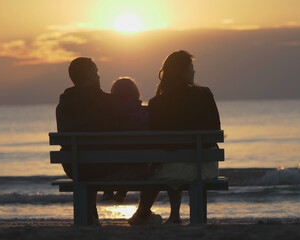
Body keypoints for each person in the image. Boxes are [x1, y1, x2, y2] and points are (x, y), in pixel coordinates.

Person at [129, 50, 221, 224]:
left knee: (170, 159)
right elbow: (214, 130)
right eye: (190, 68)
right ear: (182, 71)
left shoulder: (156, 103)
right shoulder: (204, 94)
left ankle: (174, 216)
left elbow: (157, 142)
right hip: (204, 167)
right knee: (181, 159)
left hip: (171, 168)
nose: (194, 72)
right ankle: (183, 216)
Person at [56, 57, 149, 226]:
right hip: (104, 169)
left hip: (74, 167)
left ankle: (89, 217)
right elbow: (130, 133)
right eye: (97, 72)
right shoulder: (109, 102)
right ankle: (144, 214)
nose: (99, 77)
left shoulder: (63, 104)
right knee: (150, 169)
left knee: (88, 160)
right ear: (90, 75)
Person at [101, 77, 148, 203]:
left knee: (114, 154)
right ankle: (122, 194)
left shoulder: (107, 116)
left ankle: (108, 191)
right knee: (137, 157)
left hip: (112, 171)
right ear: (136, 94)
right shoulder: (145, 113)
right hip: (141, 170)